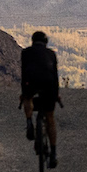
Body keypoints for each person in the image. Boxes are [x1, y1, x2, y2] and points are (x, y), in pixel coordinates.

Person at [20, 30, 61, 165]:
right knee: (50, 117)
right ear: (46, 42)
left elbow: (24, 73)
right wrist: (56, 95)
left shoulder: (25, 53)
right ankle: (53, 153)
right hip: (49, 84)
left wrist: (24, 92)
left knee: (28, 98)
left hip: (31, 82)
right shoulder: (51, 54)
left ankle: (29, 122)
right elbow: (55, 76)